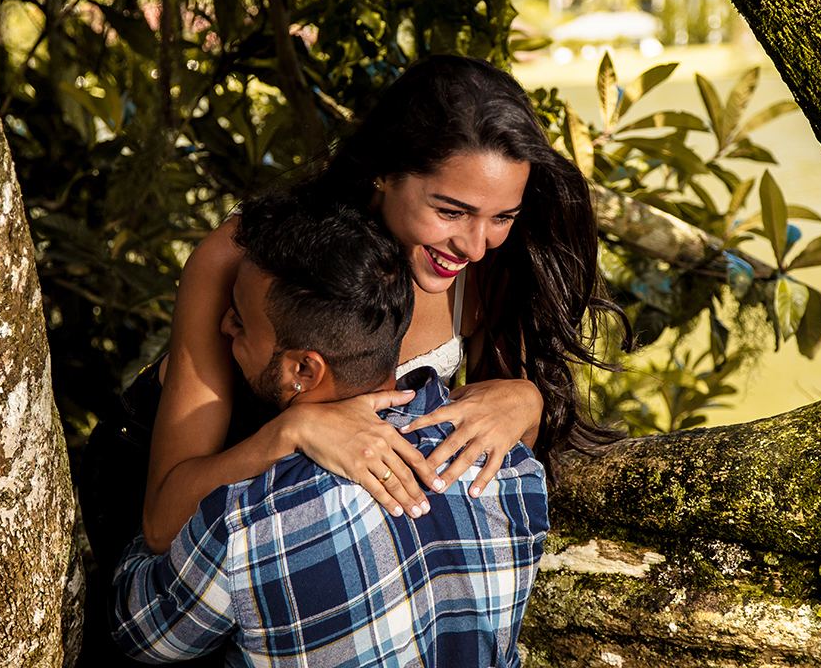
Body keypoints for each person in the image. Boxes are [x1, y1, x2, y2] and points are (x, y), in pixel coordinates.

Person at [140, 54, 622, 557]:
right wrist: (293, 431)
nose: (476, 246)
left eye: (502, 216)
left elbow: (499, 442)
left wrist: (527, 401)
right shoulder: (246, 259)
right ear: (383, 172)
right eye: (450, 211)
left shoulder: (491, 269)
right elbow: (161, 523)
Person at [111, 188, 548, 666]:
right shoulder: (514, 474)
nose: (224, 327)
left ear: (304, 371)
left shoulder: (245, 527)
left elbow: (141, 634)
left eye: (241, 322)